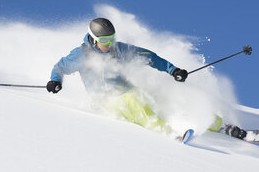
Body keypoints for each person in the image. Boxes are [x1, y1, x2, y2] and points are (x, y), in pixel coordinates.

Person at [47, 18, 247, 140]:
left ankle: (221, 126)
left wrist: (173, 70)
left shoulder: (120, 49)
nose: (109, 44)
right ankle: (167, 132)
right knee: (135, 100)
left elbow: (150, 58)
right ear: (93, 39)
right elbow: (60, 67)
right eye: (104, 40)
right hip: (104, 101)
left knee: (164, 95)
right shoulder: (81, 55)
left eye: (111, 39)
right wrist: (55, 80)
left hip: (126, 90)